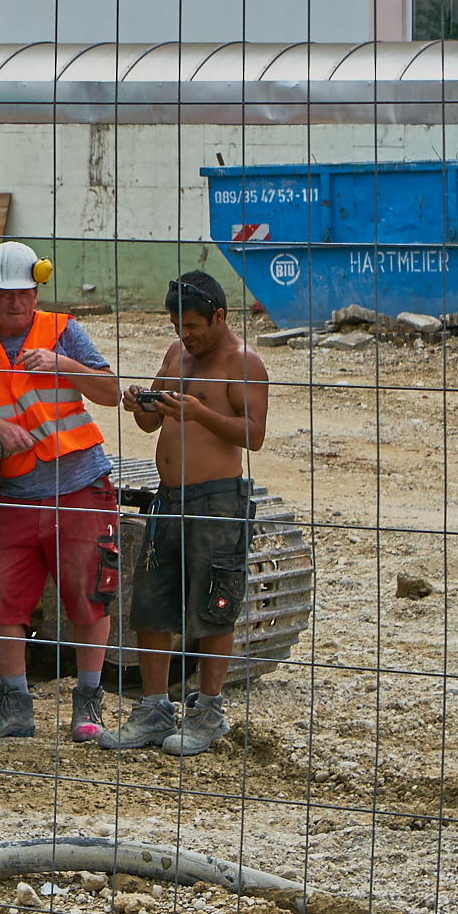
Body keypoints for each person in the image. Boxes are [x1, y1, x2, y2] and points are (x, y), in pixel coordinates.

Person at [0, 241, 121, 743]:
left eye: (25, 293)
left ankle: (88, 704)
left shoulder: (63, 331)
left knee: (90, 599)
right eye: (6, 293)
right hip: (16, 492)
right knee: (0, 601)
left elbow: (111, 392)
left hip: (80, 485)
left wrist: (64, 364)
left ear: (37, 291)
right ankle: (15, 708)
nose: (16, 302)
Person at [99, 271, 270, 756]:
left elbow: (254, 435)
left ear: (219, 316)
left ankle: (208, 712)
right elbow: (149, 422)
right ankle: (154, 709)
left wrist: (199, 414)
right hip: (168, 499)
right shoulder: (177, 354)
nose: (184, 334)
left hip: (217, 502)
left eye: (192, 325)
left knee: (214, 606)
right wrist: (139, 404)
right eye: (177, 326)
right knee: (152, 603)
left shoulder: (244, 363)